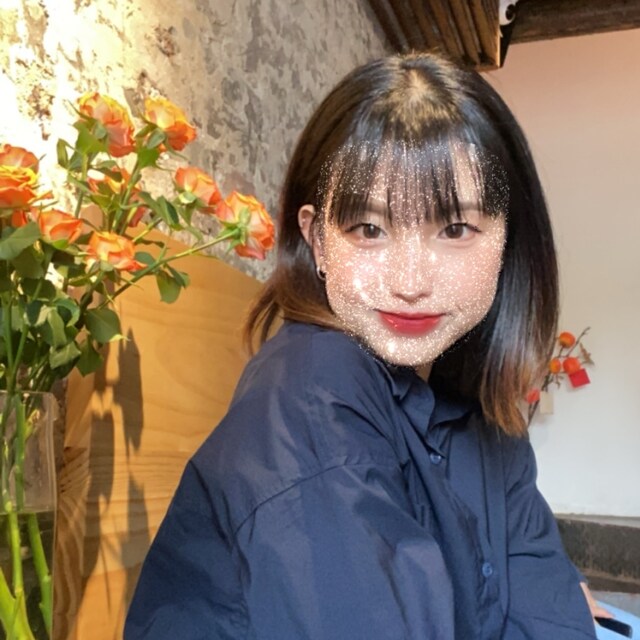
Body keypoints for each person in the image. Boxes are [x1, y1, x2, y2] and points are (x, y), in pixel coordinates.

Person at [125, 52, 607, 639]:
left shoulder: (484, 410)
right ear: (316, 241)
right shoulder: (311, 388)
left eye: (455, 229)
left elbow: (552, 616)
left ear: (507, 242)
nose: (410, 282)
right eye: (368, 229)